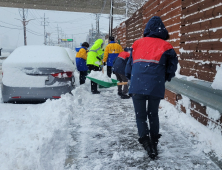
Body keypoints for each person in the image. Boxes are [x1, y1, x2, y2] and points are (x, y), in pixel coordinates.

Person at [125, 16, 178, 159]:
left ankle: (146, 143)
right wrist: (164, 77)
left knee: (140, 116)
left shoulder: (137, 44)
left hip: (137, 85)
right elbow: (172, 67)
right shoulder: (167, 46)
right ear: (162, 30)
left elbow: (129, 67)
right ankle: (154, 141)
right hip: (156, 85)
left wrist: (132, 78)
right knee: (153, 114)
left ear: (147, 29)